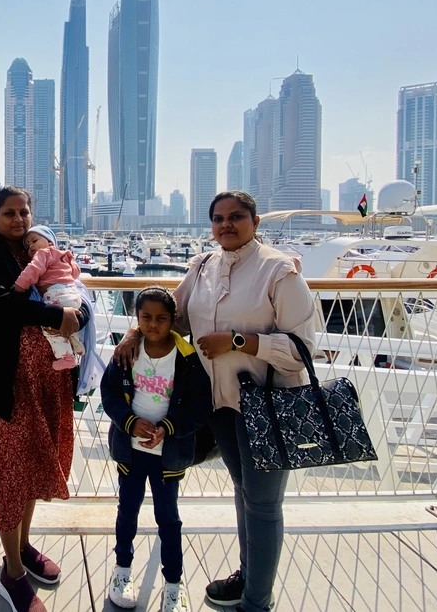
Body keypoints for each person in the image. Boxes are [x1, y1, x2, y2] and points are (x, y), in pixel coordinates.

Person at [114, 191, 317, 612]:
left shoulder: (280, 272)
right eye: (219, 218)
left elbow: (303, 350)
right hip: (218, 403)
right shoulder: (204, 267)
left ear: (255, 221)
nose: (227, 224)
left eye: (236, 217)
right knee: (243, 493)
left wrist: (240, 341)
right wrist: (135, 333)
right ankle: (249, 576)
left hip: (266, 406)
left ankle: (257, 601)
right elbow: (173, 315)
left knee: (262, 503)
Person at [0, 187, 92, 612]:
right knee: (9, 475)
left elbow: (74, 292)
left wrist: (78, 315)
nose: (18, 220)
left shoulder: (43, 248)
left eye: (24, 212)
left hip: (45, 383)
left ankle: (24, 544)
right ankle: (12, 570)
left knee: (34, 465)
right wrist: (56, 317)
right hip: (5, 386)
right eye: (9, 213)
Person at [101, 287, 211, 612]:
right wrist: (129, 421)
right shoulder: (127, 354)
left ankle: (173, 586)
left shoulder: (188, 360)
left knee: (169, 520)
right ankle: (122, 572)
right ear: (137, 320)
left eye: (161, 318)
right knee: (127, 513)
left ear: (173, 320)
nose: (153, 325)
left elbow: (199, 406)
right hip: (130, 452)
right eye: (146, 318)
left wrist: (169, 428)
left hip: (169, 456)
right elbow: (110, 393)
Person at [12, 224, 84, 369]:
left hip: (56, 294)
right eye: (27, 245)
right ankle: (78, 346)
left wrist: (19, 286)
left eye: (34, 241)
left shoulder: (43, 254)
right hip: (73, 294)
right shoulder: (64, 255)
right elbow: (75, 272)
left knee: (49, 328)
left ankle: (66, 357)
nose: (30, 246)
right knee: (70, 323)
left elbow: (32, 271)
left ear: (50, 242)